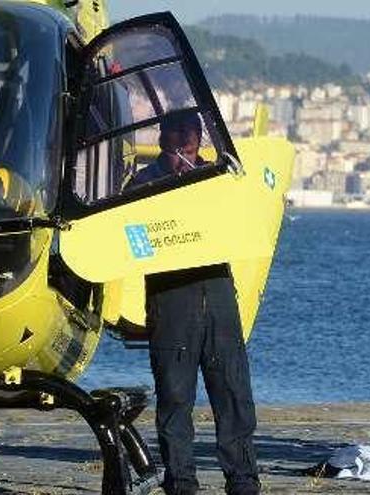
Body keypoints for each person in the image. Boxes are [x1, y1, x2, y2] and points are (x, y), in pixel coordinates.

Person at [131, 113, 261, 495]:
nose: (188, 141)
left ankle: (243, 480)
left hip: (218, 294)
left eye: (194, 134)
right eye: (180, 134)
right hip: (171, 298)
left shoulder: (217, 176)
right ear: (163, 138)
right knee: (175, 397)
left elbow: (243, 214)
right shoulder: (143, 182)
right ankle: (181, 482)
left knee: (234, 394)